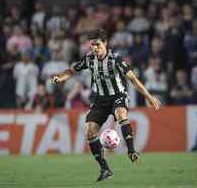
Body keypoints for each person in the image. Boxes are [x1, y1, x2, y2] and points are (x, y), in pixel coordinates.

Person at [50, 29, 161, 182]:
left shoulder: (116, 60)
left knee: (121, 114)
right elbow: (72, 70)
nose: (94, 48)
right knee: (90, 132)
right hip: (100, 99)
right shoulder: (89, 59)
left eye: (97, 44)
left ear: (105, 44)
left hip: (118, 96)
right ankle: (105, 168)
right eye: (92, 45)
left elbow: (133, 80)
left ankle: (131, 151)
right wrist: (60, 78)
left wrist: (149, 97)